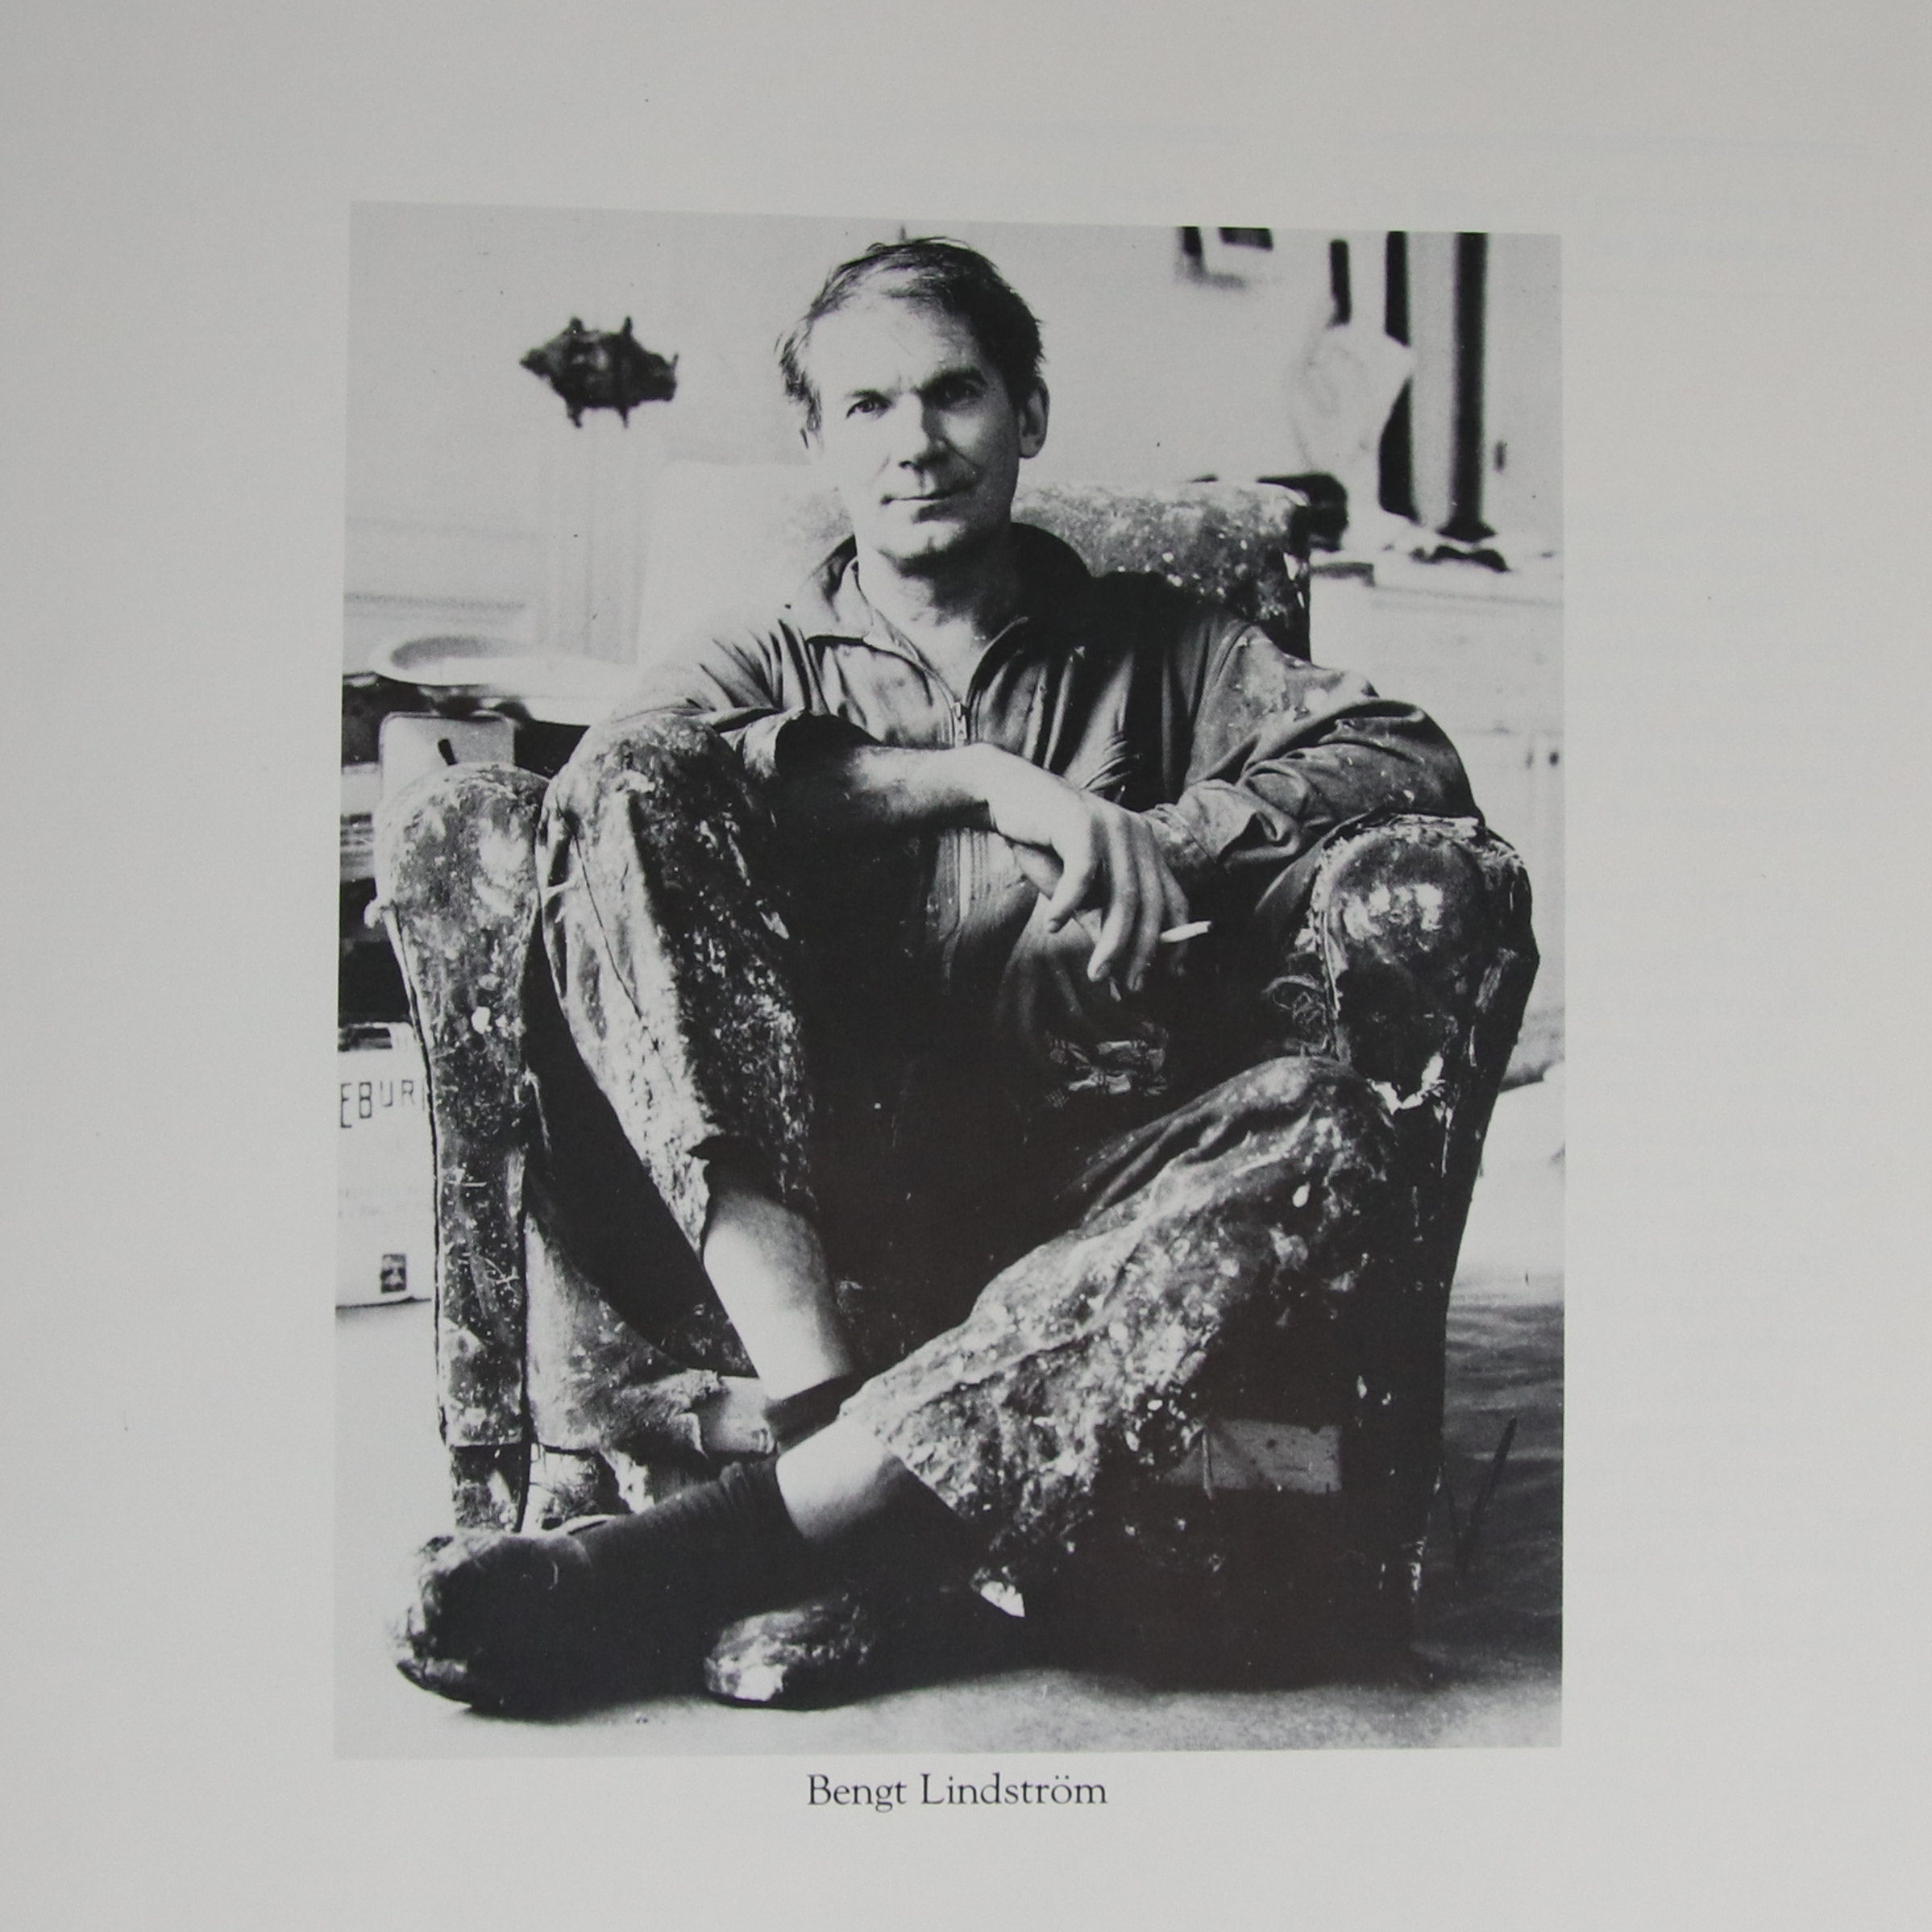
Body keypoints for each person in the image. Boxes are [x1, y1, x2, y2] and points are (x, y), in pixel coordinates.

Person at [393, 238, 1498, 1713]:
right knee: (642, 780)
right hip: (793, 1213)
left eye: (952, 393)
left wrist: (1161, 842)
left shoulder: (1163, 650)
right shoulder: (751, 657)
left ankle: (719, 1547)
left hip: (1066, 1211)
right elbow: (605, 803)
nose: (912, 441)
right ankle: (829, 1422)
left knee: (1327, 1127)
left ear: (1025, 412)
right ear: (817, 439)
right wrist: (979, 784)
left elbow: (1403, 751)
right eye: (866, 406)